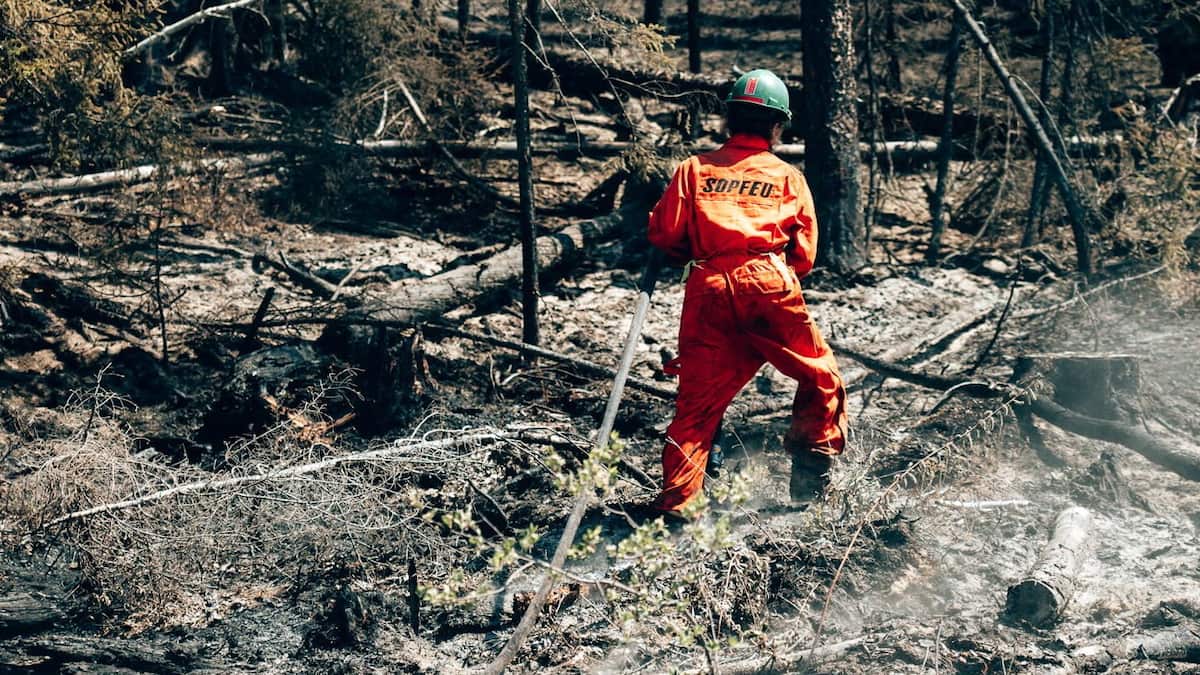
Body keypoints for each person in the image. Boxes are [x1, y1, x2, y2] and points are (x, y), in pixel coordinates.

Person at [644, 68, 849, 517]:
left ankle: (680, 506)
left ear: (728, 121)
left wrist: (704, 257)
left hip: (708, 288)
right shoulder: (788, 178)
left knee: (697, 406)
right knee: (820, 376)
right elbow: (805, 254)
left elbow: (663, 234)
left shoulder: (693, 169)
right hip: (768, 285)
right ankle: (809, 485)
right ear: (778, 126)